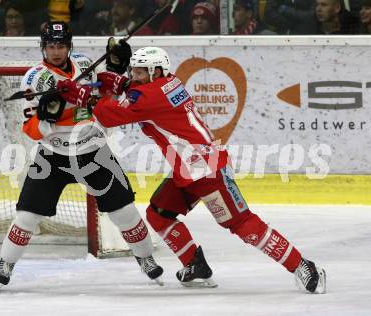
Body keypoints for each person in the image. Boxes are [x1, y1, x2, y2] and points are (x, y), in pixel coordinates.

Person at [56, 47, 327, 294]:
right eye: (134, 70)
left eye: (140, 71)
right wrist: (123, 82)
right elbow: (138, 95)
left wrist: (85, 96)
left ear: (156, 71)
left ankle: (303, 265)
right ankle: (195, 265)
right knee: (158, 214)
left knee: (242, 223)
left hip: (206, 171)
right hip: (187, 170)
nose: (135, 74)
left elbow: (109, 114)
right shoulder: (167, 83)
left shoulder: (150, 95)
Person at [0, 21, 163, 288]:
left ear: (69, 46)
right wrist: (48, 118)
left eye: (61, 45)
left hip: (93, 150)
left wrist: (116, 66)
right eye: (50, 46)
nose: (56, 51)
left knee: (124, 212)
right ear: (43, 47)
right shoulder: (34, 79)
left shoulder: (85, 65)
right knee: (27, 216)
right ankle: (7, 262)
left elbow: (109, 91)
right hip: (53, 155)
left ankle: (145, 258)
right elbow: (31, 130)